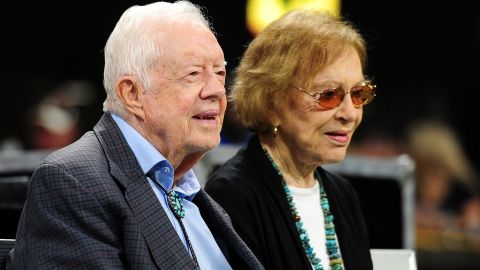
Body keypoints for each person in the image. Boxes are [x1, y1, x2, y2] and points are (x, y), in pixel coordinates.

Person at [7, 1, 264, 269]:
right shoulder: (72, 182)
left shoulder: (189, 188)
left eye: (220, 73)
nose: (217, 91)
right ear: (132, 94)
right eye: (193, 74)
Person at [205, 9, 375, 270]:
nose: (350, 113)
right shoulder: (231, 196)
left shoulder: (343, 195)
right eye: (328, 95)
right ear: (271, 103)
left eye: (359, 94)